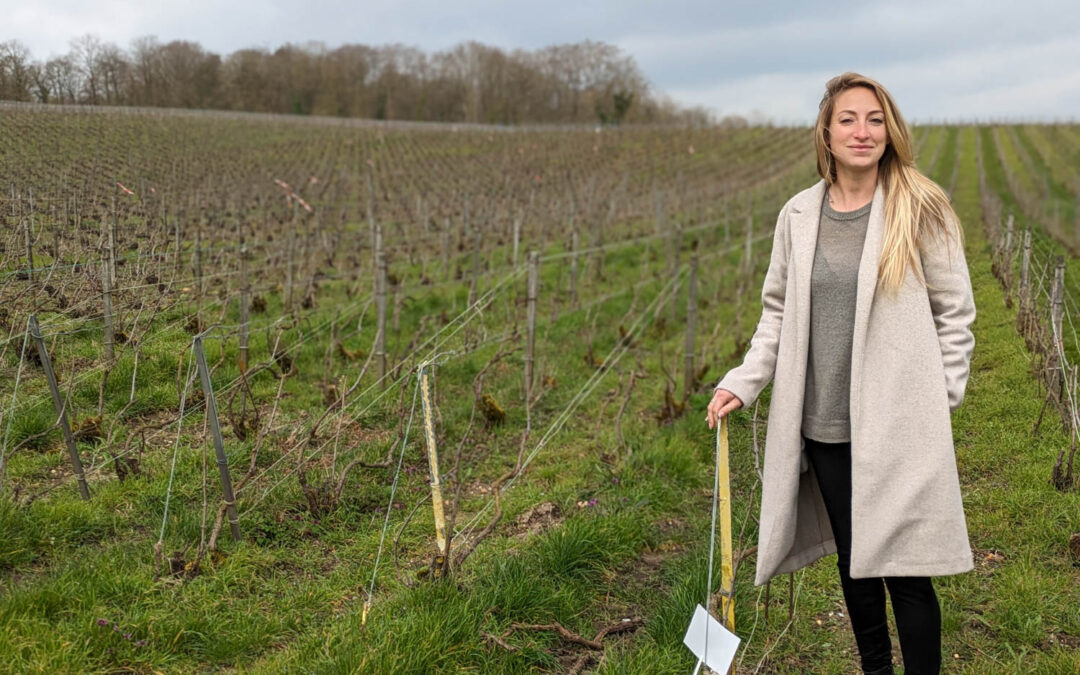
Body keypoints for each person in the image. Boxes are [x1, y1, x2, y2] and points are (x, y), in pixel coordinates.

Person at [704, 73, 976, 675]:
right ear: (826, 132)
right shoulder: (799, 214)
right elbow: (776, 313)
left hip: (900, 423)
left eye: (875, 119)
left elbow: (955, 316)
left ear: (891, 129)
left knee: (905, 571)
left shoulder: (920, 206)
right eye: (849, 119)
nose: (863, 131)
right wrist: (742, 381)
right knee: (856, 563)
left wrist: (939, 398)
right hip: (825, 426)